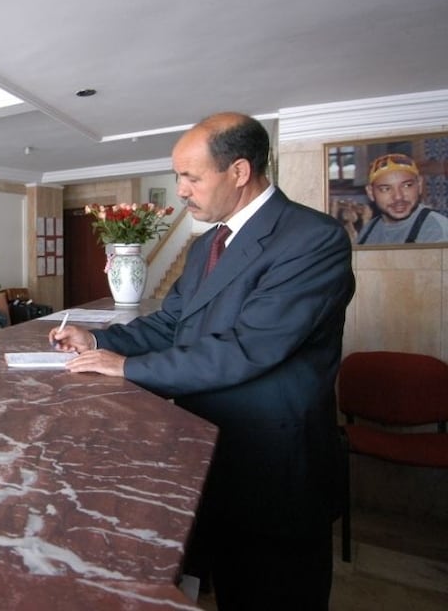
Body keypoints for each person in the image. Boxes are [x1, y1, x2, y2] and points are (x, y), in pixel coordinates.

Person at [52, 112, 355, 610]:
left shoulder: (311, 238)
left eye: (191, 177)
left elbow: (248, 348)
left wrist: (127, 368)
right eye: (178, 177)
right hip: (208, 454)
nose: (181, 191)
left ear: (239, 171)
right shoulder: (205, 245)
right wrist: (98, 339)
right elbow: (172, 322)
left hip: (273, 466)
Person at [356, 153, 448, 244]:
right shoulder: (369, 229)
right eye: (385, 189)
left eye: (407, 185)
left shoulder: (436, 231)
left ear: (419, 185)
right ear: (371, 193)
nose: (398, 197)